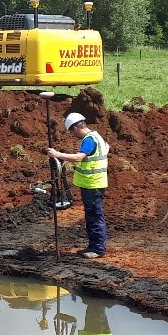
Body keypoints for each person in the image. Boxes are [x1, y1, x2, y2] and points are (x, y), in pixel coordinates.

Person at [46, 111, 109, 258]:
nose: (73, 135)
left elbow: (78, 157)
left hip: (92, 185)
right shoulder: (96, 136)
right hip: (94, 184)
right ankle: (94, 246)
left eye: (72, 132)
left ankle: (98, 249)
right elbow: (107, 147)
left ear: (75, 128)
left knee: (94, 216)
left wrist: (57, 154)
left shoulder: (89, 140)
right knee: (92, 215)